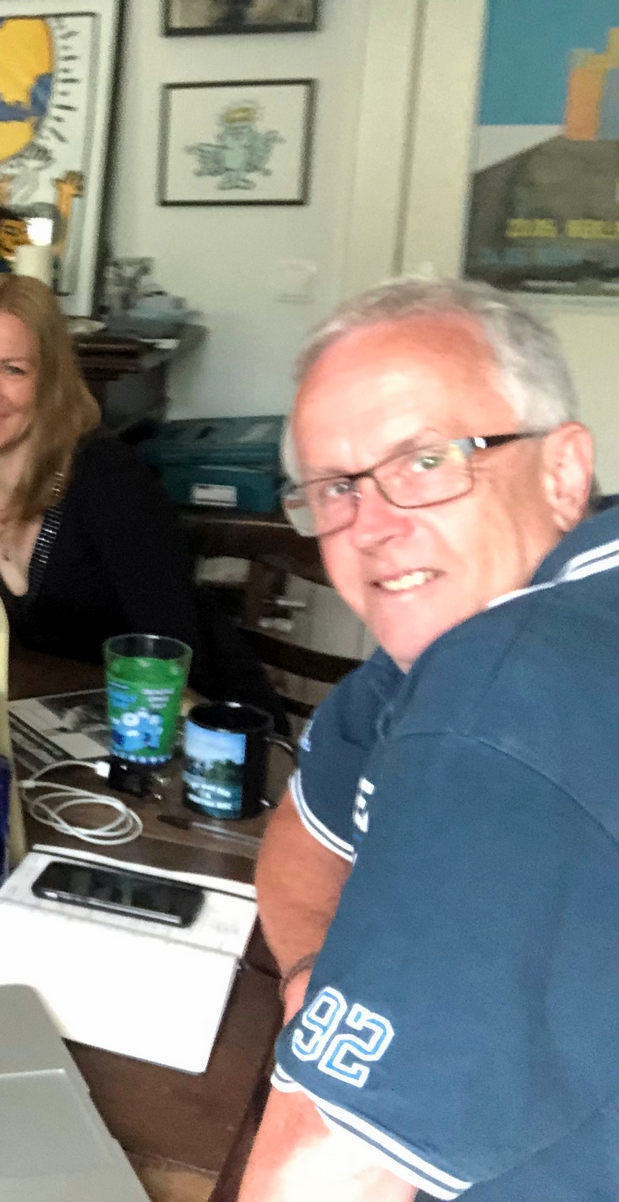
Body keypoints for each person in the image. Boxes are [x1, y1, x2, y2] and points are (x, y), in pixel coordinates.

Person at [241, 277, 610, 1200]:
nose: (373, 526)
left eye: (426, 461)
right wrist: (318, 974)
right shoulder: (448, 650)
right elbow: (303, 839)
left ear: (564, 471)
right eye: (337, 486)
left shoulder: (508, 689)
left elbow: (319, 1171)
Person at [0, 272, 283, 722]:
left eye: (13, 369)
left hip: (202, 723)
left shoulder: (107, 480)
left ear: (51, 382)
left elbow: (174, 662)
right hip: (68, 720)